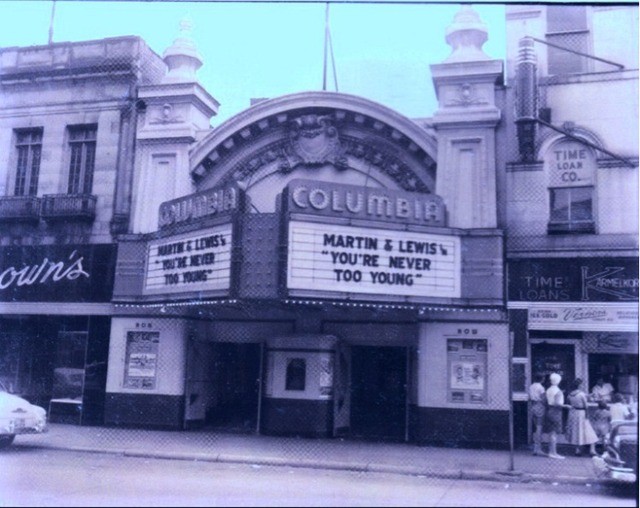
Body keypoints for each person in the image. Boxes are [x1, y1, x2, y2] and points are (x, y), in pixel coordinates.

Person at [565, 378, 598, 456]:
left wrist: (589, 395)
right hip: (581, 413)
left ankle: (578, 450)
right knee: (589, 431)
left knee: (576, 431)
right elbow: (586, 405)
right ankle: (592, 450)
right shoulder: (581, 394)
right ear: (579, 385)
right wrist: (587, 416)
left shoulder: (570, 394)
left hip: (573, 413)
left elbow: (569, 402)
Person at [545, 372, 565, 459]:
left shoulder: (548, 390)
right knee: (554, 433)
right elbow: (557, 403)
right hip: (556, 411)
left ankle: (551, 451)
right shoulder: (558, 391)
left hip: (549, 410)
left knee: (551, 432)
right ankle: (553, 453)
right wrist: (566, 406)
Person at [529, 373, 547, 456]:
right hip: (540, 405)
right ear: (541, 378)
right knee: (539, 428)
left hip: (533, 406)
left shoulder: (531, 386)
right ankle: (538, 448)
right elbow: (543, 399)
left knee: (536, 427)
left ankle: (535, 448)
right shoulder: (541, 387)